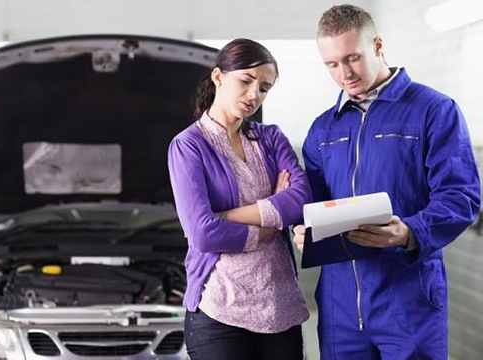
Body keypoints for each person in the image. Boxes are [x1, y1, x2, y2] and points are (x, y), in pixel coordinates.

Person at [293, 4, 481, 359]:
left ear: (377, 45)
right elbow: (310, 203)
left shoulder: (433, 110)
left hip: (408, 297)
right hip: (339, 303)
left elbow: (461, 197)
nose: (344, 73)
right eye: (332, 64)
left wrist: (409, 232)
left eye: (352, 58)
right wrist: (301, 228)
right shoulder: (323, 128)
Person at [168, 38, 312, 360]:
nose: (253, 95)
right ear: (219, 77)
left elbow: (301, 196)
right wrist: (272, 220)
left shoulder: (270, 137)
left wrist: (228, 216)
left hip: (280, 307)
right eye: (246, 81)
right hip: (221, 309)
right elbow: (203, 234)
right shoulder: (189, 146)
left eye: (264, 88)